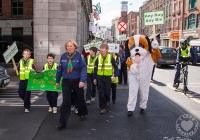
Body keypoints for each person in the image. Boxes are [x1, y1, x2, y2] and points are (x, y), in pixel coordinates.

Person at [56, 39, 88, 130]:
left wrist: (82, 80)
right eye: (68, 46)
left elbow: (83, 69)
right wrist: (57, 81)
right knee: (66, 101)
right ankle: (63, 122)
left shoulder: (79, 56)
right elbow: (60, 70)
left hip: (77, 81)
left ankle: (82, 113)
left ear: (74, 47)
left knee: (79, 98)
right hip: (66, 81)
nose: (69, 47)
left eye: (71, 46)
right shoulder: (63, 56)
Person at [93, 43, 118, 114]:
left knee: (107, 92)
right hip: (100, 77)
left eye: (103, 48)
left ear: (107, 49)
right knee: (101, 92)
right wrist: (94, 78)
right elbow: (95, 68)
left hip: (107, 78)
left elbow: (116, 67)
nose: (101, 49)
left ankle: (107, 100)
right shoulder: (98, 58)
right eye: (101, 48)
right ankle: (102, 107)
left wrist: (115, 76)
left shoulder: (110, 57)